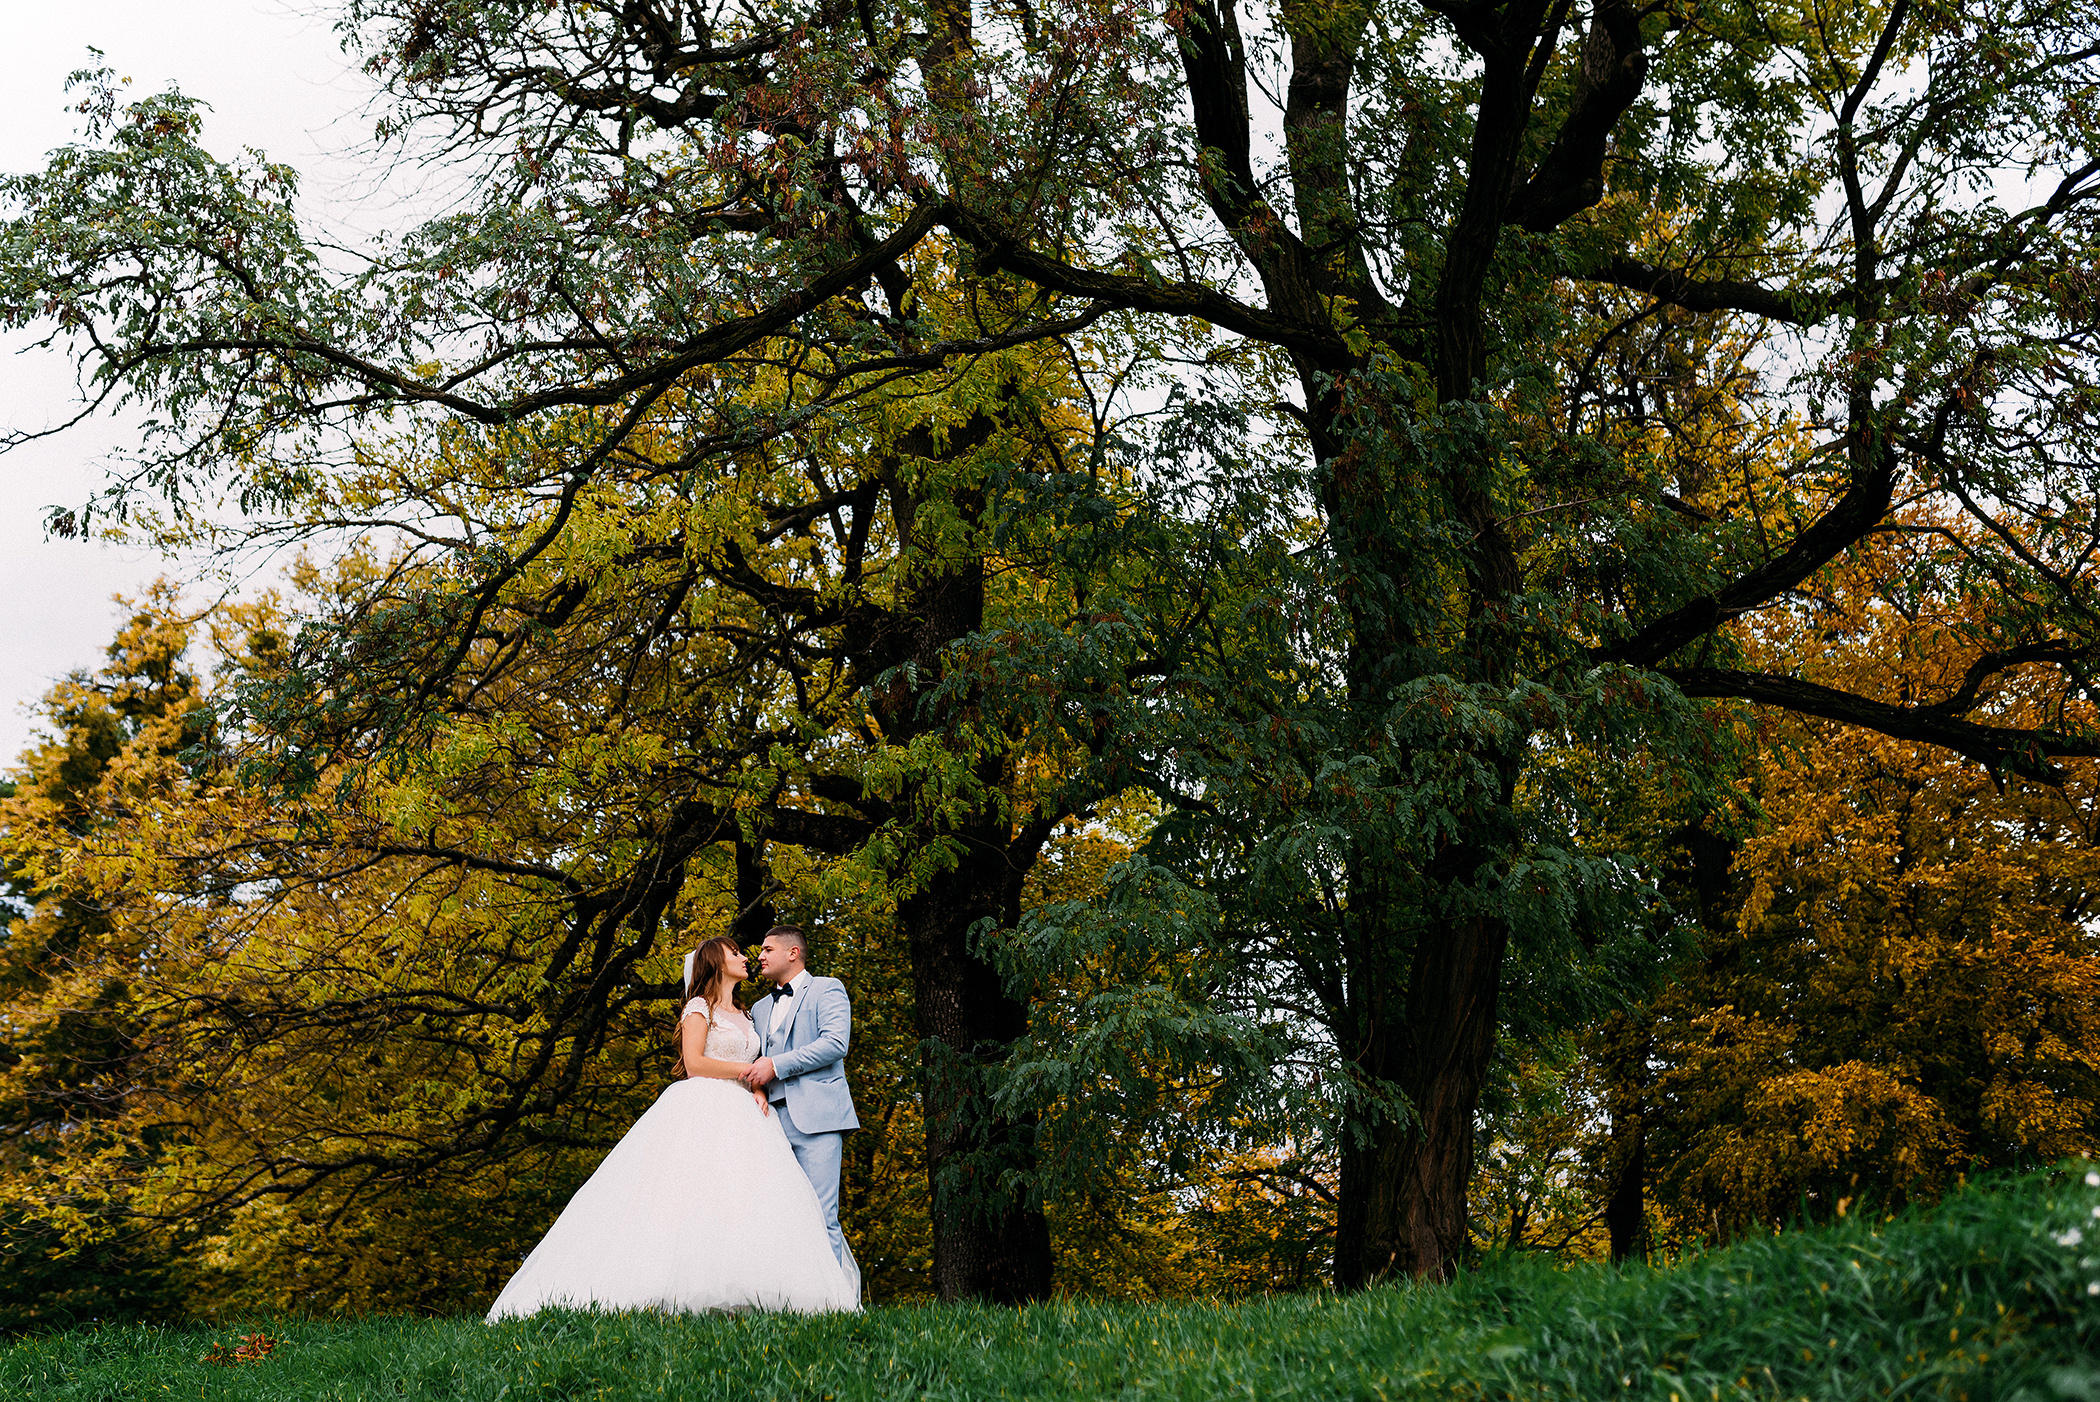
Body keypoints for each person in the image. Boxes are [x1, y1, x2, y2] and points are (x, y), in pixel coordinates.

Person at [484, 935, 857, 1319]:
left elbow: (816, 1047)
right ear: (716, 962)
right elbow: (696, 1063)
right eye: (739, 951)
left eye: (759, 950)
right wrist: (752, 1075)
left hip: (764, 1115)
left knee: (782, 1208)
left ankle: (831, 1304)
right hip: (707, 1107)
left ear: (793, 953)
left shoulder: (756, 1012)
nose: (750, 957)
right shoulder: (704, 1007)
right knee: (696, 1199)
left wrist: (758, 1085)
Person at [741, 924, 859, 1274]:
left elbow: (835, 1043)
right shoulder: (759, 1008)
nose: (759, 957)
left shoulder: (827, 989)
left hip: (818, 1116)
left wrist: (776, 1065)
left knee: (822, 1214)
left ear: (793, 953)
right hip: (769, 1122)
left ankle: (831, 1306)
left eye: (767, 949)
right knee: (778, 1214)